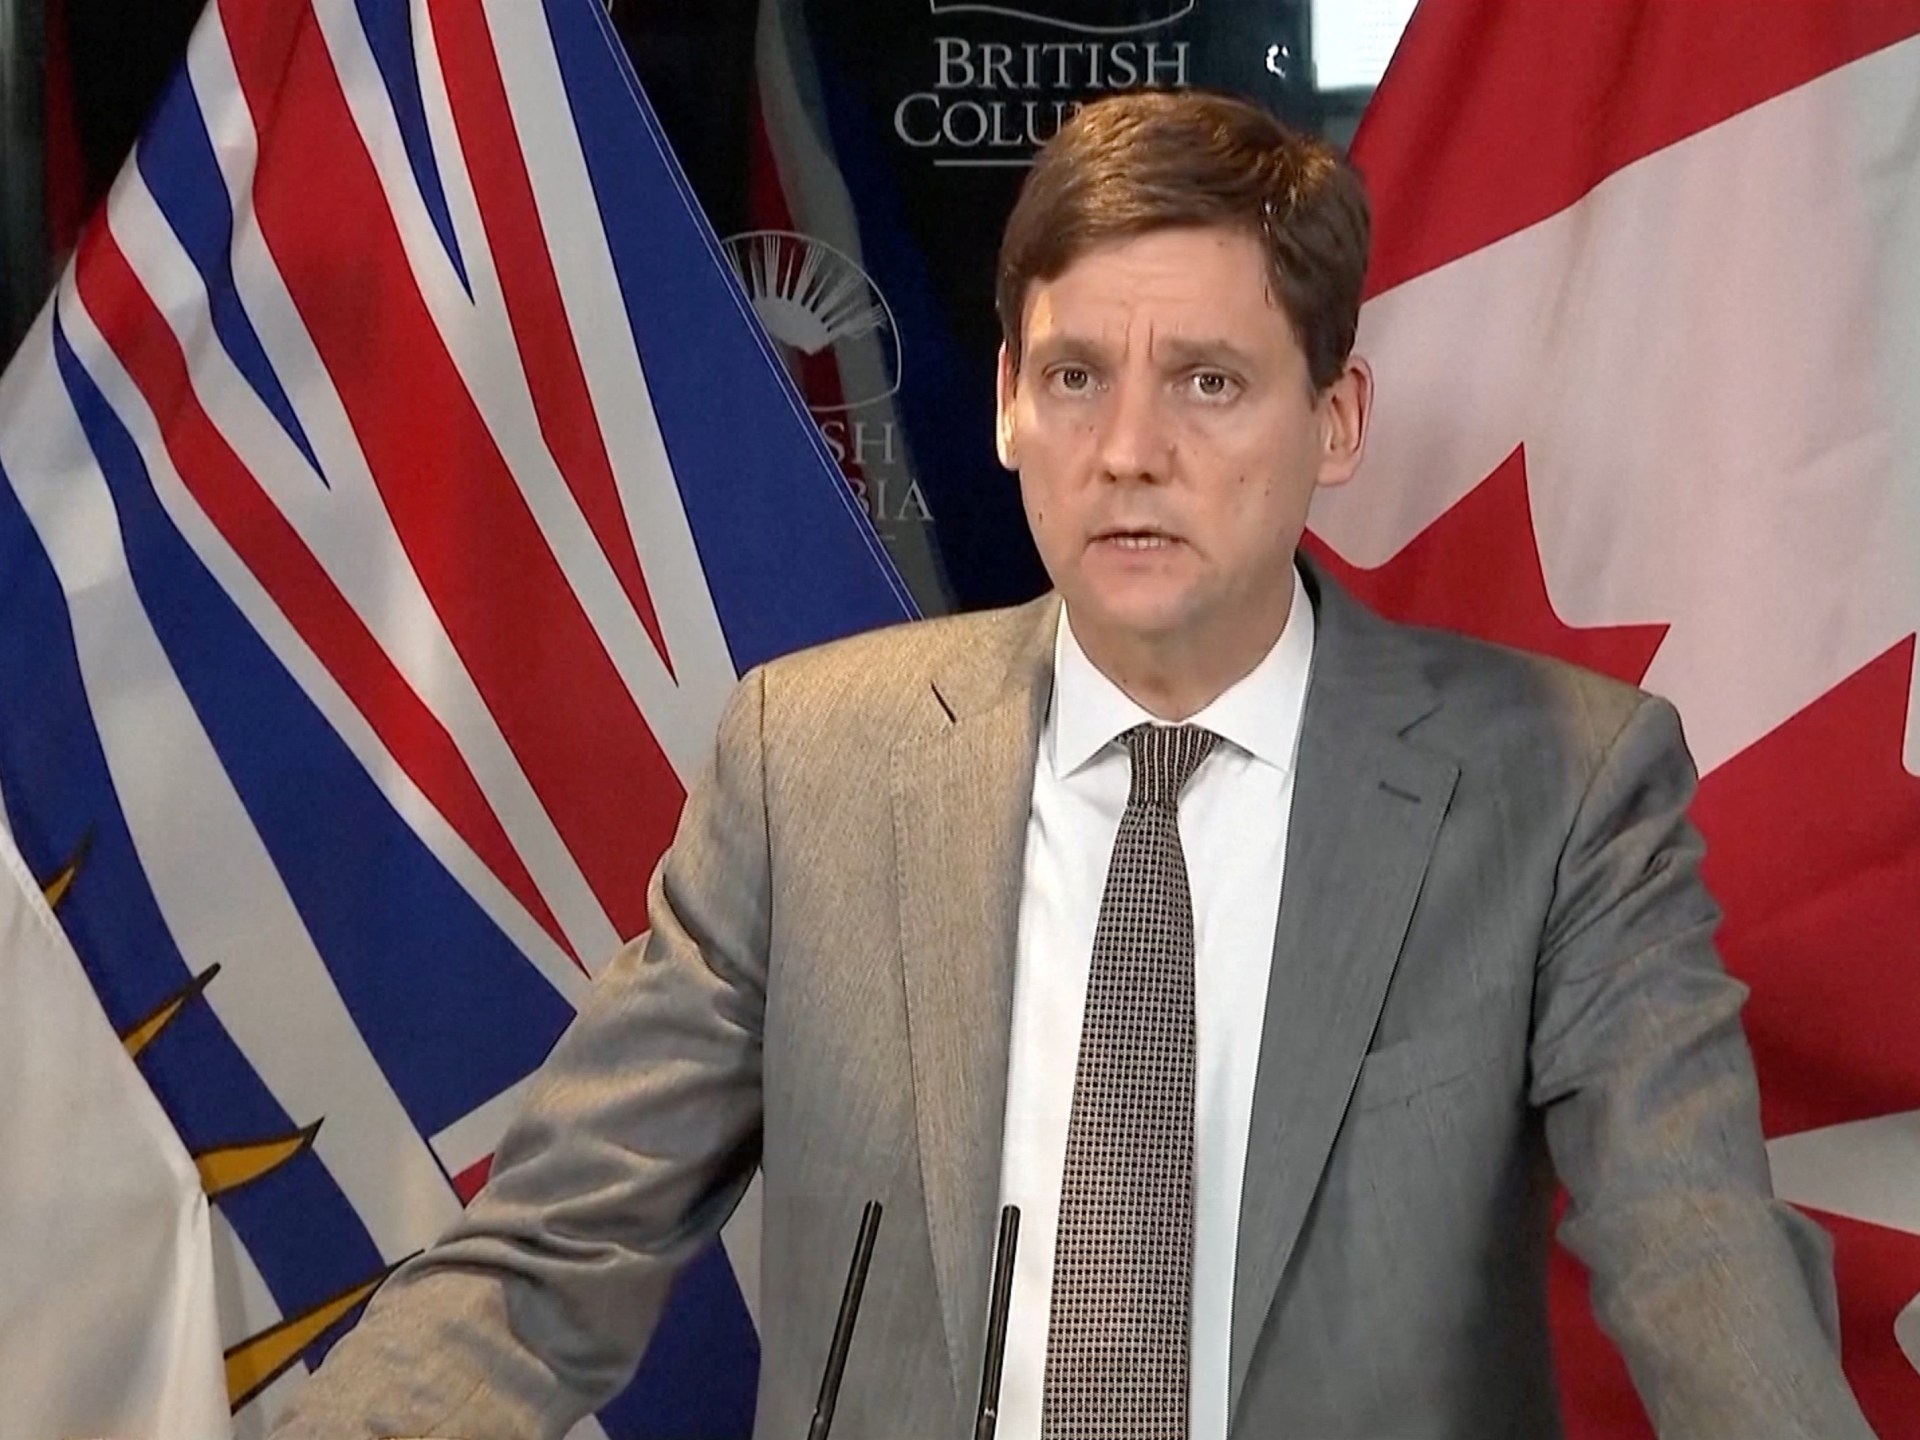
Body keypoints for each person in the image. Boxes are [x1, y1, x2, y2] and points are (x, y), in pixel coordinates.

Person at [274, 89, 1873, 1440]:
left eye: (1209, 382)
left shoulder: (1566, 785)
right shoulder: (809, 762)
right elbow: (546, 1267)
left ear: (1336, 420)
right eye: (1074, 377)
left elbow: (1699, 1256)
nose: (1128, 453)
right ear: (1005, 409)